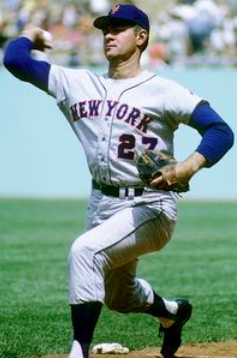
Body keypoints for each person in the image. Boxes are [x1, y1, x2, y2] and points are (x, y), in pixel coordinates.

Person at [3, 4, 234, 358]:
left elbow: (220, 130)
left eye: (120, 28)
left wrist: (188, 166)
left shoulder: (164, 90)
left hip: (151, 205)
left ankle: (77, 352)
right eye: (106, 28)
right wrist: (30, 35)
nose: (109, 34)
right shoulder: (79, 83)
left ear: (141, 37)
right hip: (102, 203)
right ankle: (173, 313)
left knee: (85, 251)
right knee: (119, 297)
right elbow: (16, 62)